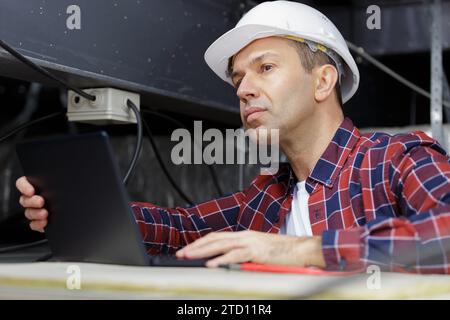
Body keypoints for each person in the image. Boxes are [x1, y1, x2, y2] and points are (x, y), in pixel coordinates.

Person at [15, 1, 450, 273]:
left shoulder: (397, 159)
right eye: (238, 78)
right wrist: (77, 208)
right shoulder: (267, 199)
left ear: (322, 82)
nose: (242, 89)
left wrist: (301, 250)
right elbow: (182, 230)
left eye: (265, 68)